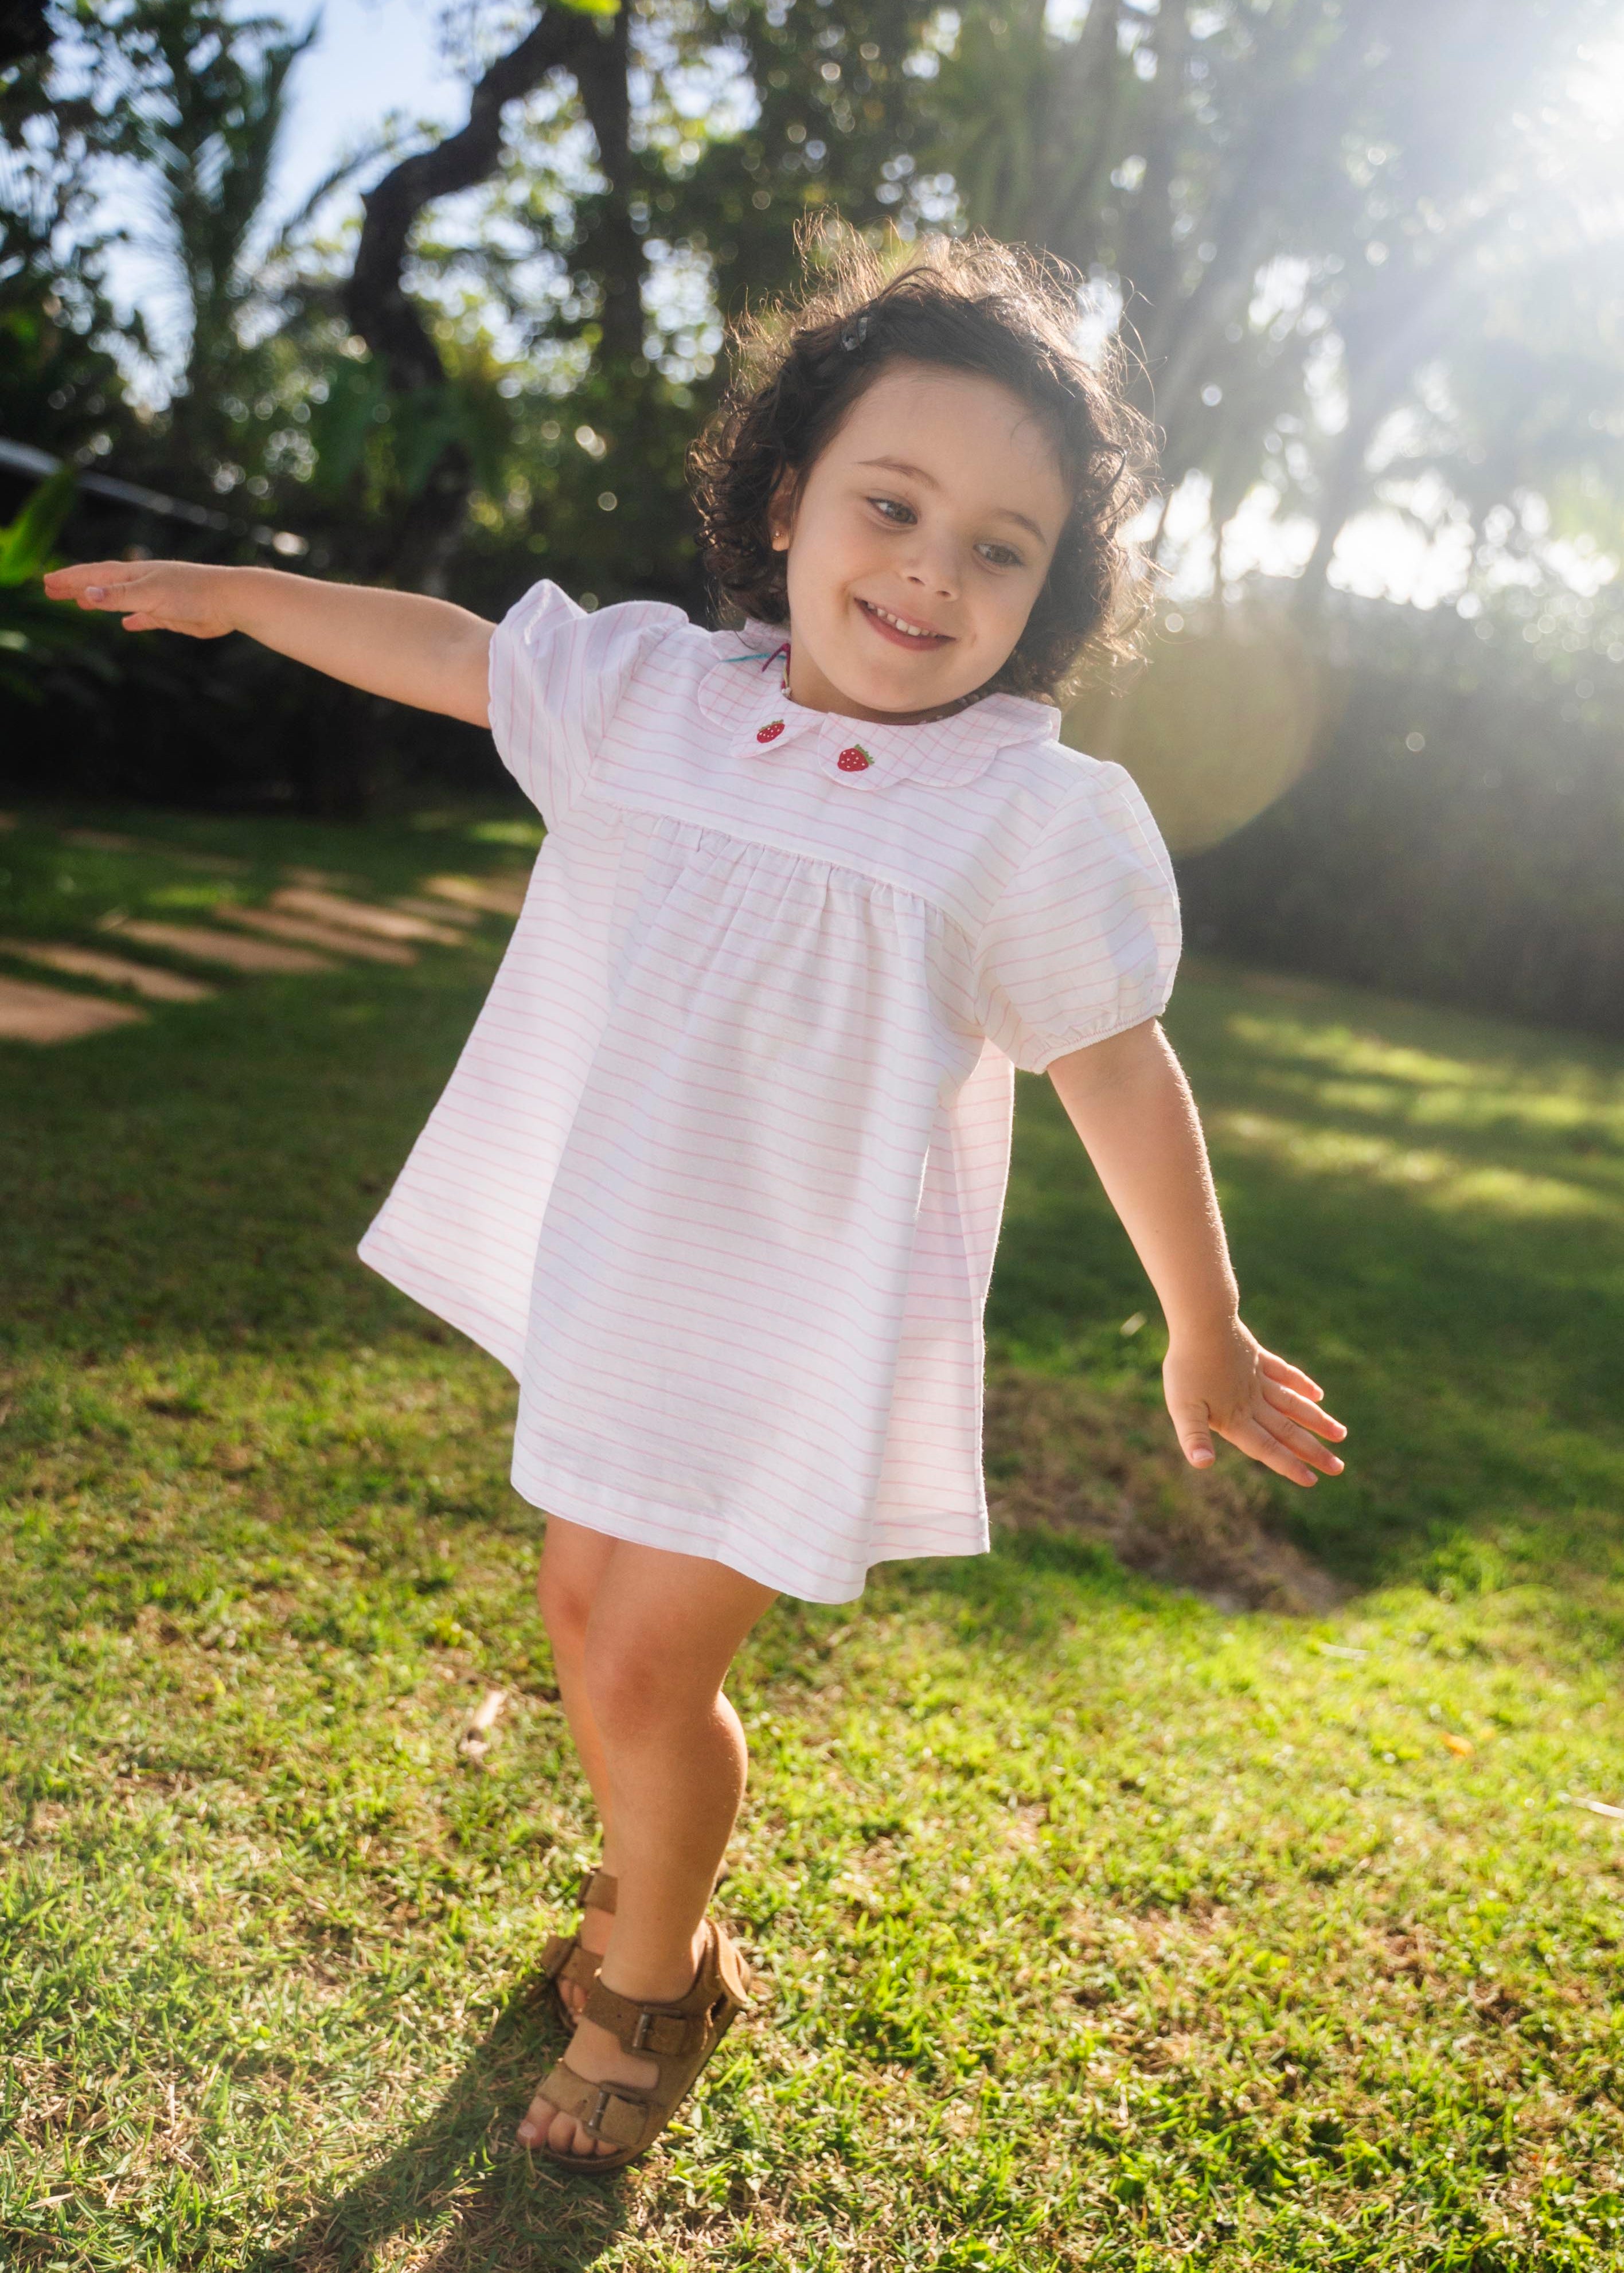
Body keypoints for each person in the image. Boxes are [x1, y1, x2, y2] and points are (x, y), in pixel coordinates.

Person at [44, 224, 1346, 2174]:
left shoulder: (1026, 814)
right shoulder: (655, 694)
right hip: (625, 1267)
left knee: (656, 1660)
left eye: (1000, 548)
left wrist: (1203, 1318)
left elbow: (1114, 1062)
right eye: (891, 505)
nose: (929, 570)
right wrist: (229, 589)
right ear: (789, 492)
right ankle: (658, 1896)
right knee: (584, 1610)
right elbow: (460, 651)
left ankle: (655, 1976)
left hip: (798, 1314)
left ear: (1050, 591)